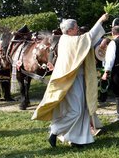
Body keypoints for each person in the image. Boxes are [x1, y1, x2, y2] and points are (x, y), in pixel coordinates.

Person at [32, 13, 109, 147]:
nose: (78, 29)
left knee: (84, 109)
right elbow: (89, 37)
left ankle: (77, 139)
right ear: (69, 30)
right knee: (76, 111)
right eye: (76, 27)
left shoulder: (68, 39)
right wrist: (100, 21)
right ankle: (55, 131)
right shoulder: (68, 40)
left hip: (78, 78)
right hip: (71, 80)